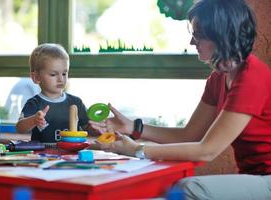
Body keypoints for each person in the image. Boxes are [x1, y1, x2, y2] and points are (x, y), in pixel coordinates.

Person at [89, 0, 271, 199]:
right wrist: (134, 128)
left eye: (198, 36)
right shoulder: (218, 78)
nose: (192, 43)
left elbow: (207, 151)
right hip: (255, 177)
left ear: (221, 36)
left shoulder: (252, 78)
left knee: (188, 188)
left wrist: (137, 150)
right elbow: (190, 135)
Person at [16, 43, 91, 143]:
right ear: (36, 77)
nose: (61, 79)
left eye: (64, 73)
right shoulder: (34, 103)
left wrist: (98, 127)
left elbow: (88, 128)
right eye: (53, 74)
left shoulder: (76, 102)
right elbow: (20, 128)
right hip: (42, 156)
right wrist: (34, 120)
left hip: (71, 156)